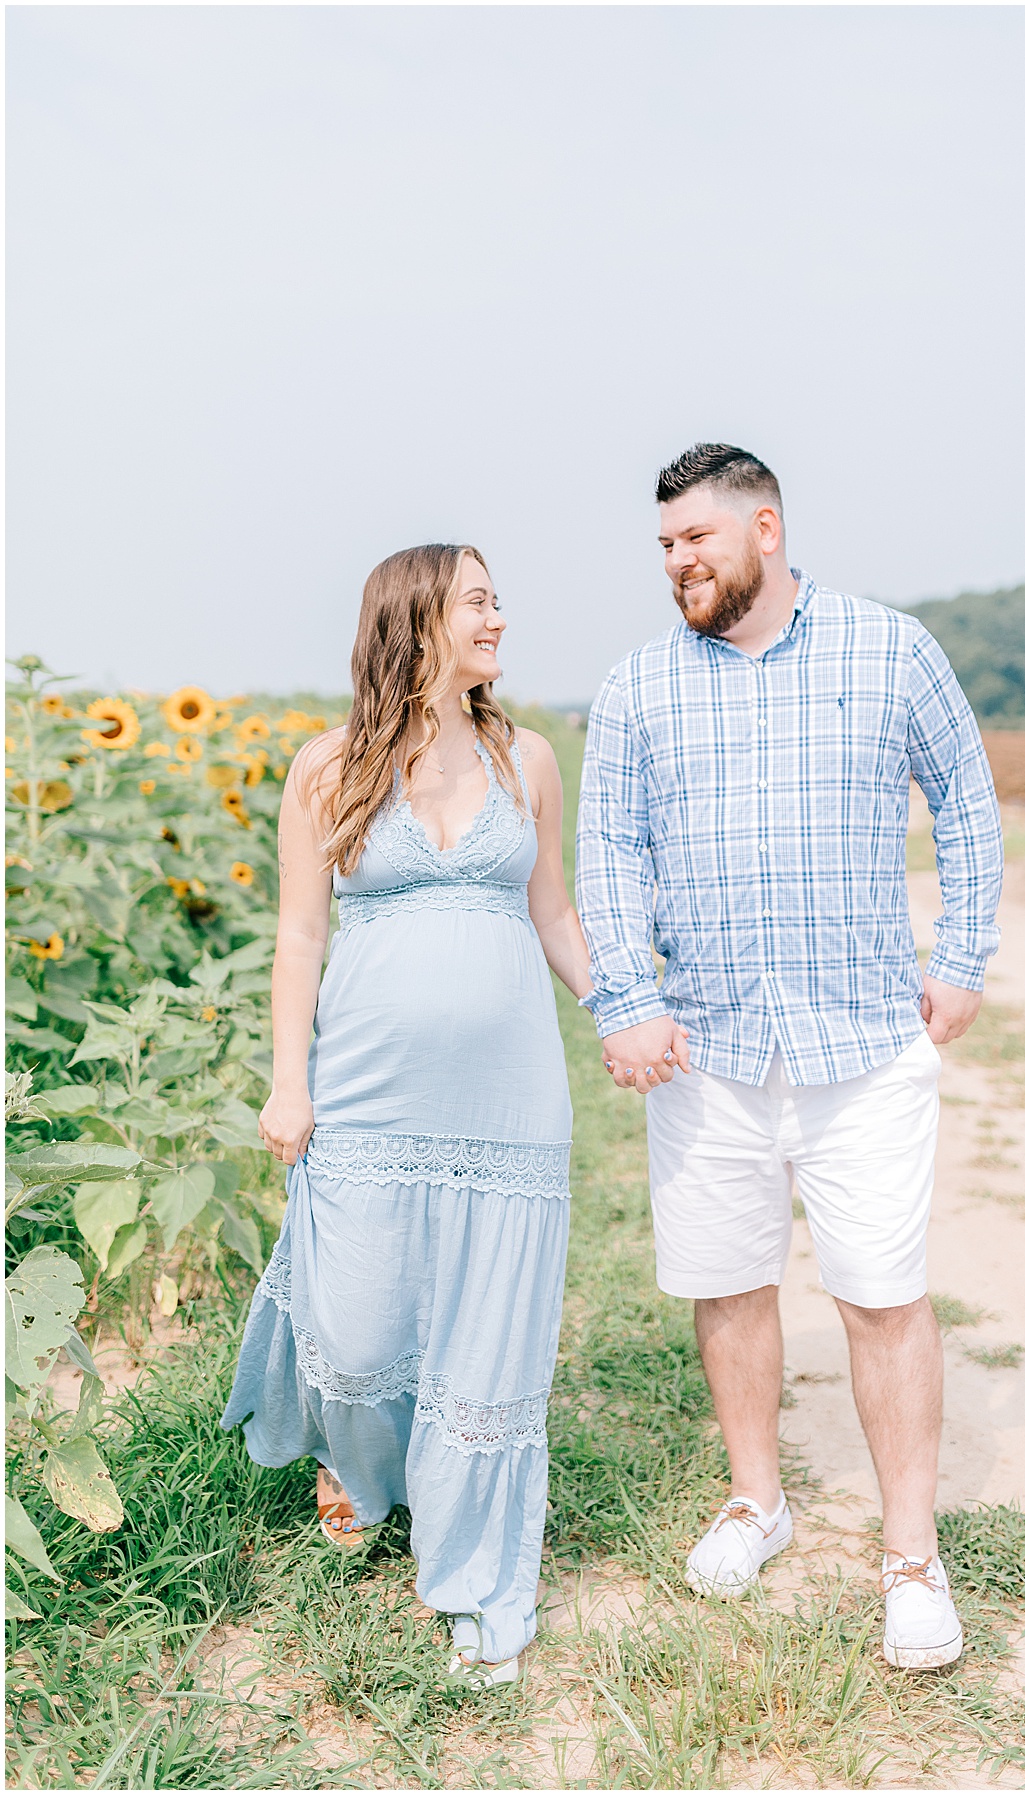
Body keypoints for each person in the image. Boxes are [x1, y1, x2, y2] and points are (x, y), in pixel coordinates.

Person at [575, 444, 1003, 1670]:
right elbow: (609, 857)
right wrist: (626, 999)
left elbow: (967, 803)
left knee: (881, 1296)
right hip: (705, 1050)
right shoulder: (639, 688)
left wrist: (964, 955)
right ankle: (759, 1500)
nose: (678, 562)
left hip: (864, 1044)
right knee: (728, 1283)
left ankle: (912, 1553)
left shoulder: (891, 649)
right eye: (663, 546)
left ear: (765, 526)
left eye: (696, 539)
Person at [221, 543, 592, 1686]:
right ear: (419, 620)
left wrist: (628, 1012)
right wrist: (293, 1079)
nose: (500, 618)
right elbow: (299, 937)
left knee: (487, 1335)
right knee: (365, 1324)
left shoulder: (524, 757)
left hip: (511, 1101)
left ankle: (471, 1554)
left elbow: (557, 917)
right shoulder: (326, 767)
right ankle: (362, 1466)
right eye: (480, 601)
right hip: (370, 1095)